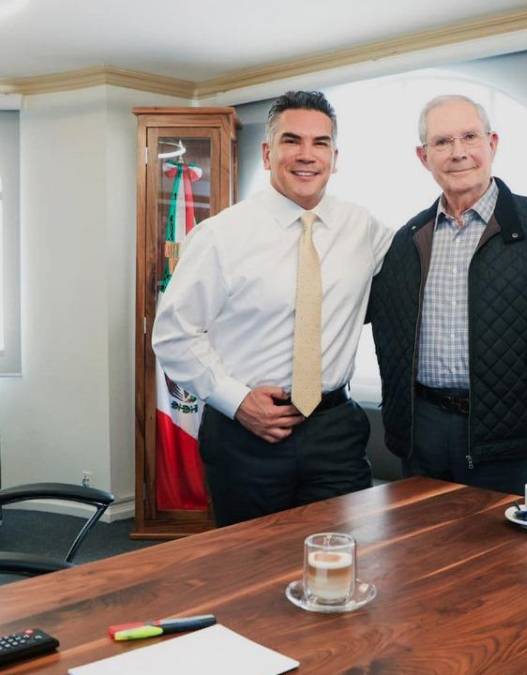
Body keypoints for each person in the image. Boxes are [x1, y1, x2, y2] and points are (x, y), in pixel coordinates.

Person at [152, 91, 392, 526]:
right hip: (245, 432)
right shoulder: (220, 235)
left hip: (334, 431)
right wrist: (237, 401)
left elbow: (418, 266)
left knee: (339, 553)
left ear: (335, 157)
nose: (306, 155)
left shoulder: (364, 228)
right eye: (291, 140)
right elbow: (173, 335)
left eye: (320, 143)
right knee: (251, 560)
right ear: (267, 153)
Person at [367, 95, 527, 495]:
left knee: (510, 541)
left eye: (469, 137)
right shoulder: (407, 241)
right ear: (423, 156)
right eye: (442, 142)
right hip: (424, 440)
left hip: (517, 447)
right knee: (425, 539)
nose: (458, 152)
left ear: (492, 143)